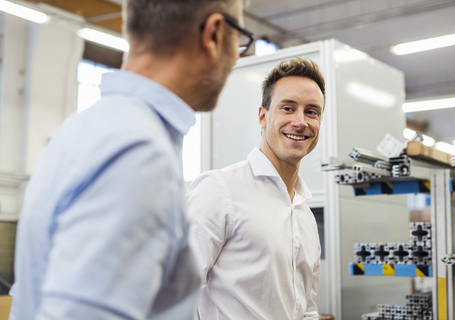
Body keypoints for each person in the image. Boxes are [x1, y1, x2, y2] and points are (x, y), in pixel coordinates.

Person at [9, 0, 253, 319]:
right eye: (240, 41)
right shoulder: (138, 151)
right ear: (214, 35)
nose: (237, 56)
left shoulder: (86, 128)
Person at [186, 58, 326, 319]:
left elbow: (306, 307)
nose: (300, 121)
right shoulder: (219, 190)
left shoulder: (304, 213)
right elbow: (175, 293)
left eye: (312, 112)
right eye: (288, 108)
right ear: (263, 116)